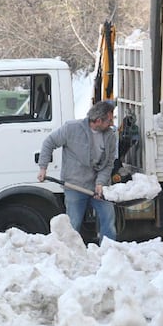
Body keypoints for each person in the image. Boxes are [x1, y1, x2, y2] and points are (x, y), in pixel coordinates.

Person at [37, 100, 117, 242]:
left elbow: (108, 163)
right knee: (73, 224)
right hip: (75, 185)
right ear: (98, 120)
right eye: (109, 120)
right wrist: (43, 167)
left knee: (108, 218)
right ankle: (71, 254)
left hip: (98, 187)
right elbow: (49, 143)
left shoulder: (110, 135)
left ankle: (108, 251)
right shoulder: (71, 129)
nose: (111, 124)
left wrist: (100, 183)